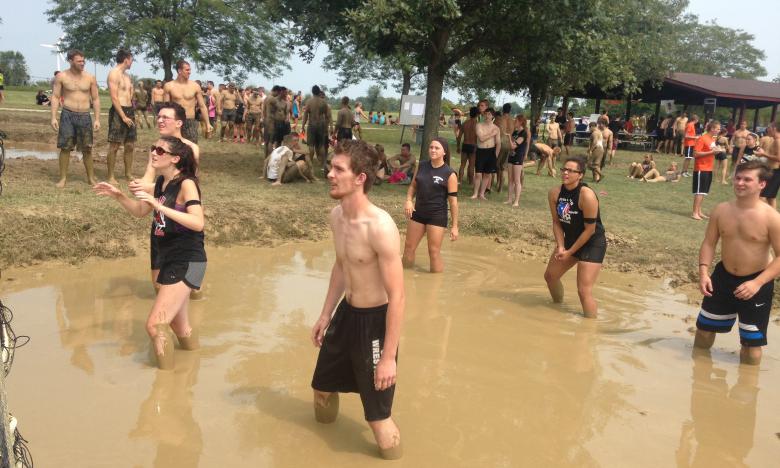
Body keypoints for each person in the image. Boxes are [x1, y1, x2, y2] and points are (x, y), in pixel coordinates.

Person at [309, 140, 404, 459]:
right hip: (346, 314)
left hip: (375, 324)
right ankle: (316, 453)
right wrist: (326, 314)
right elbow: (342, 265)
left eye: (338, 169)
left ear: (360, 178)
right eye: (331, 167)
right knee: (321, 389)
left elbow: (398, 296)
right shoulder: (337, 216)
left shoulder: (380, 227)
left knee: (378, 419)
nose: (329, 174)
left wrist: (389, 356)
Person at [93, 136, 205, 370]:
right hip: (172, 260)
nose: (153, 153)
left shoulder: (186, 184)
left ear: (175, 158)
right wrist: (119, 196)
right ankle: (194, 368)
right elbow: (140, 211)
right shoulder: (161, 184)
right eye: (153, 148)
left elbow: (197, 222)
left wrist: (160, 206)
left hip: (189, 261)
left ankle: (165, 389)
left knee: (155, 326)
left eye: (160, 150)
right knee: (179, 326)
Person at [695, 160, 780, 365]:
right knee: (704, 331)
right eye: (738, 178)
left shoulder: (772, 217)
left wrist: (757, 283)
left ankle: (747, 389)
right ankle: (699, 372)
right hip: (722, 277)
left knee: (751, 344)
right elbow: (709, 243)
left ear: (762, 184)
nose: (740, 183)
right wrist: (704, 272)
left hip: (756, 281)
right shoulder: (721, 210)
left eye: (747, 179)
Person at [543, 156, 606, 319]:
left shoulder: (587, 195)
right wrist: (561, 246)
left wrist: (570, 252)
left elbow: (590, 230)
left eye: (571, 171)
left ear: (580, 175)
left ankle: (590, 327)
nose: (565, 173)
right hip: (570, 241)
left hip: (592, 243)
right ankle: (557, 307)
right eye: (564, 169)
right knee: (550, 276)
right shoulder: (554, 193)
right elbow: (556, 222)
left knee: (583, 290)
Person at [402, 138, 459, 273]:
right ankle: (404, 275)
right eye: (431, 147)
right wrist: (409, 200)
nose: (433, 150)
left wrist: (455, 226)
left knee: (433, 252)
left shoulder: (450, 174)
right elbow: (412, 187)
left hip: (437, 216)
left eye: (437, 148)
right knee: (409, 247)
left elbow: (453, 202)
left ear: (444, 152)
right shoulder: (421, 166)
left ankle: (435, 283)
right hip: (418, 212)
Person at [50, 49, 101, 188]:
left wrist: (97, 119)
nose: (82, 63)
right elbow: (55, 97)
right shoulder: (61, 76)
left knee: (87, 148)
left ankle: (91, 178)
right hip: (67, 114)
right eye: (79, 61)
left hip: (85, 116)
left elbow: (95, 99)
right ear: (70, 61)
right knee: (65, 148)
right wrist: (53, 117)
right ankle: (63, 178)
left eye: (83, 61)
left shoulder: (90, 77)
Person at [106, 49, 137, 185]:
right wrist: (123, 116)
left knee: (130, 144)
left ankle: (128, 174)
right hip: (119, 112)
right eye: (131, 60)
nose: (132, 63)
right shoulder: (114, 74)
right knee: (114, 145)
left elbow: (129, 92)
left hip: (129, 110)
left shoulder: (127, 76)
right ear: (126, 59)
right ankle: (111, 176)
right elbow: (114, 97)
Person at [163, 60, 213, 142]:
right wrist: (165, 123)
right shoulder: (169, 86)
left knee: (191, 150)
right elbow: (166, 107)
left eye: (190, 70)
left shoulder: (195, 86)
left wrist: (207, 123)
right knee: (174, 149)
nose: (189, 72)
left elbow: (202, 106)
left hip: (190, 122)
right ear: (179, 71)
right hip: (175, 121)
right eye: (187, 70)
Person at [692, 120, 725, 220]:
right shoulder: (702, 138)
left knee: (703, 192)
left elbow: (711, 151)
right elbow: (696, 154)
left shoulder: (712, 139)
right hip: (701, 168)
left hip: (708, 168)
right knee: (699, 191)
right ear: (712, 128)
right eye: (718, 129)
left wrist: (718, 150)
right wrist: (712, 152)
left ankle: (699, 211)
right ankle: (694, 213)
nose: (719, 131)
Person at [471, 108, 500, 200]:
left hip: (491, 152)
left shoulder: (496, 128)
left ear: (493, 116)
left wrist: (496, 155)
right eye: (486, 114)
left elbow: (498, 143)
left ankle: (482, 194)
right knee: (478, 174)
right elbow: (481, 138)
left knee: (487, 174)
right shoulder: (479, 125)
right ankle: (475, 193)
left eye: (489, 114)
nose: (487, 116)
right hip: (481, 151)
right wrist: (492, 134)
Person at [302, 85, 332, 174]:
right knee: (321, 145)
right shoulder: (323, 102)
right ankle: (323, 164)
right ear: (319, 92)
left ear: (312, 92)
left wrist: (303, 126)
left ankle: (310, 163)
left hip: (312, 125)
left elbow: (305, 115)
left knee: (311, 145)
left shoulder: (309, 102)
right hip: (321, 125)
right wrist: (330, 126)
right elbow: (328, 116)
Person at [507, 114, 530, 206]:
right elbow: (510, 146)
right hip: (511, 156)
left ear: (520, 122)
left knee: (517, 180)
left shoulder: (524, 133)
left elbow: (513, 145)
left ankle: (516, 201)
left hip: (518, 157)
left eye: (515, 120)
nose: (514, 122)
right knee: (510, 179)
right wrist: (510, 138)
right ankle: (509, 199)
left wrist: (509, 137)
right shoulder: (515, 132)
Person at [754, 123, 780, 207]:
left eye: (768, 127)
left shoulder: (778, 141)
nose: (767, 129)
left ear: (774, 128)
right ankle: (774, 219)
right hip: (772, 170)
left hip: (774, 172)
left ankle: (764, 216)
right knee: (771, 197)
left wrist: (763, 154)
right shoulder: (774, 140)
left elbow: (779, 158)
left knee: (761, 196)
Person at [459, 107, 478, 184]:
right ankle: (471, 182)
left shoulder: (465, 123)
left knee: (462, 164)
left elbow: (459, 136)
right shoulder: (477, 125)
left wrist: (457, 146)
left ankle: (460, 180)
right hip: (473, 146)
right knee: (471, 165)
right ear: (477, 114)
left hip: (465, 144)